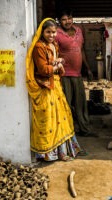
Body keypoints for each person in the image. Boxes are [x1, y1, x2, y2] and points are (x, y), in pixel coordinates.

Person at [26, 18, 86, 162]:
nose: (52, 35)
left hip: (56, 85)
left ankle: (63, 152)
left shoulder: (53, 44)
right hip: (46, 87)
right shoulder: (39, 47)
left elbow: (51, 62)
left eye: (54, 32)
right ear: (42, 32)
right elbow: (43, 69)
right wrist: (57, 66)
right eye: (48, 32)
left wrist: (58, 61)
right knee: (49, 120)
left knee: (62, 118)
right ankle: (49, 154)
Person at [55, 10, 97, 137]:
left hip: (77, 74)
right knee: (66, 103)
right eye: (64, 19)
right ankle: (67, 131)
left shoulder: (79, 30)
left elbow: (81, 50)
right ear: (59, 21)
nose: (67, 21)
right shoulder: (56, 33)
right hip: (64, 74)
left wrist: (88, 69)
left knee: (81, 103)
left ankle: (84, 129)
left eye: (70, 18)